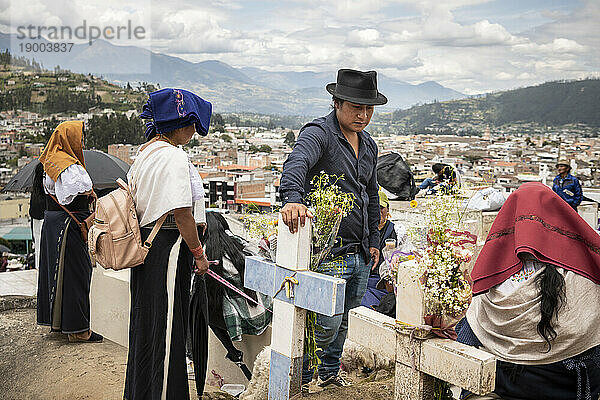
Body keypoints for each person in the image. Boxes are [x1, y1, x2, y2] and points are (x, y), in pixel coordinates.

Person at [279, 68, 386, 390]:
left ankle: (327, 374)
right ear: (337, 103)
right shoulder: (319, 134)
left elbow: (370, 194)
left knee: (345, 322)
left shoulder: (368, 144)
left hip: (361, 252)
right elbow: (296, 163)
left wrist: (375, 241)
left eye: (368, 109)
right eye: (356, 107)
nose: (363, 115)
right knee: (323, 322)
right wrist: (293, 199)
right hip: (330, 249)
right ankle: (304, 379)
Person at [458, 182, 600, 400]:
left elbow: (469, 334)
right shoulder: (580, 274)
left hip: (506, 385)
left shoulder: (495, 278)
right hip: (565, 385)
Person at [124, 88, 211, 400]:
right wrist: (198, 253)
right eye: (192, 126)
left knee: (146, 323)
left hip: (145, 245)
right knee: (168, 326)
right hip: (169, 248)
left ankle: (141, 392)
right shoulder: (174, 156)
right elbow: (182, 212)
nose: (194, 133)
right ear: (183, 123)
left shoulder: (145, 153)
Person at [189, 211, 271, 394]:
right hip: (260, 313)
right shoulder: (238, 245)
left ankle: (232, 355)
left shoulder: (204, 253)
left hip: (234, 321)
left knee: (203, 309)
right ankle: (236, 357)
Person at [36, 120, 102, 343]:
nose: (81, 142)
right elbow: (71, 194)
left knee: (57, 273)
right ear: (69, 139)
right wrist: (90, 192)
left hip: (55, 224)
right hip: (69, 226)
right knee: (77, 274)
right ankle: (79, 330)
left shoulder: (52, 160)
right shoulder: (67, 165)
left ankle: (60, 324)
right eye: (79, 137)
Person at [360, 189, 397, 311]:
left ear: (388, 210)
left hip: (381, 281)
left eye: (381, 207)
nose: (378, 212)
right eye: (374, 208)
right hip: (364, 278)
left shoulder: (395, 231)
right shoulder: (363, 229)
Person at [30, 163, 46, 270]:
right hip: (45, 218)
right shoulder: (46, 189)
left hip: (35, 219)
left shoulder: (34, 191)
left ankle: (39, 267)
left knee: (39, 247)